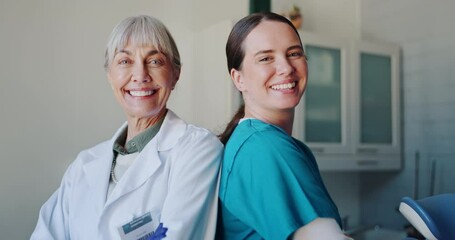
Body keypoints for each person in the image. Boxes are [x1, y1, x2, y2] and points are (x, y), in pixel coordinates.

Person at [31, 15, 223, 240]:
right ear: (110, 75)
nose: (140, 75)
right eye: (125, 61)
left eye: (155, 61)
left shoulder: (197, 150)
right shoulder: (83, 166)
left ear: (175, 74)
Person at [217, 12, 348, 240]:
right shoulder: (264, 147)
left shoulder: (260, 141)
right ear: (239, 79)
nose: (286, 67)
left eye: (294, 53)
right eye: (266, 58)